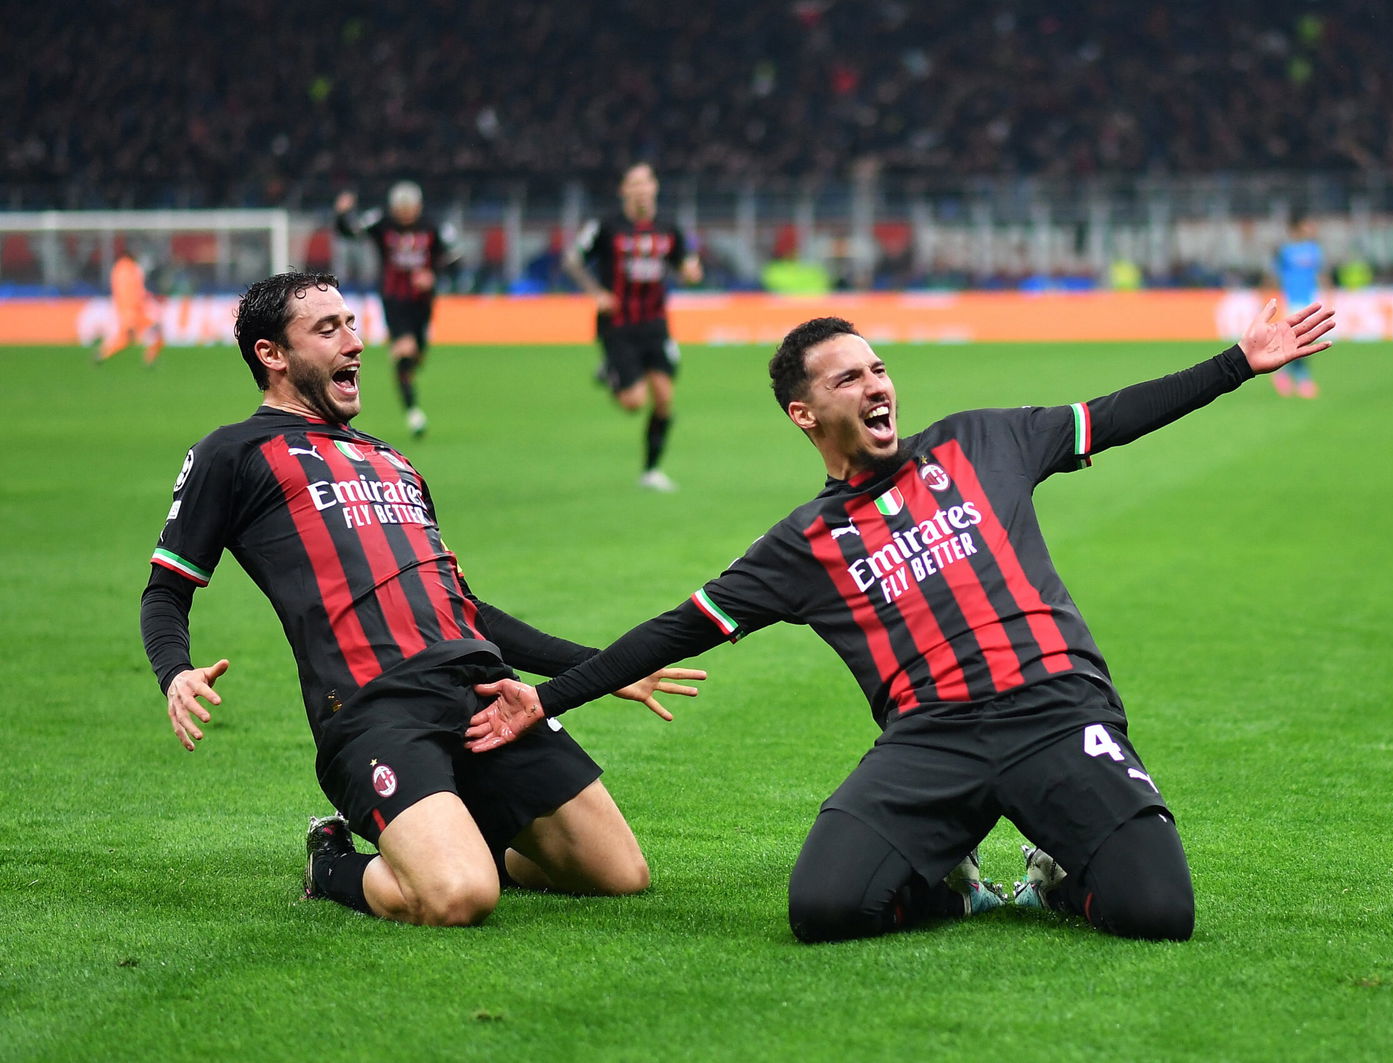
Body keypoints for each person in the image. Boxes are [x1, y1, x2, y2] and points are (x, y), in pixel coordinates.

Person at [463, 300, 1336, 945]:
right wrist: (549, 699)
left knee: (1159, 912)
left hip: (1056, 711)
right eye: (850, 376)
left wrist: (1235, 363)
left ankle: (1061, 873)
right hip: (932, 740)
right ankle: (949, 881)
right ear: (805, 414)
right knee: (824, 910)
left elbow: (1113, 416)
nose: (877, 383)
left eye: (878, 367)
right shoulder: (804, 543)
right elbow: (677, 628)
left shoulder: (981, 441)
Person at [141, 271, 704, 927]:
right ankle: (331, 863)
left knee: (619, 875)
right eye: (327, 329)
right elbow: (165, 591)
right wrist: (174, 671)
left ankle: (457, 833)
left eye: (352, 324)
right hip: (375, 706)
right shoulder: (232, 453)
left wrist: (604, 668)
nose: (353, 342)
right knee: (458, 897)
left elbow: (465, 611)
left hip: (484, 688)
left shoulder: (392, 461)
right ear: (272, 354)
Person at [564, 163, 703, 492]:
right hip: (618, 324)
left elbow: (686, 267)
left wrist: (691, 272)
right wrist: (596, 292)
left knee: (665, 398)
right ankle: (610, 371)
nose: (641, 189)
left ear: (654, 188)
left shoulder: (669, 227)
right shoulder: (607, 226)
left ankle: (651, 470)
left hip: (655, 323)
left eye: (646, 183)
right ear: (624, 190)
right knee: (633, 403)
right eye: (634, 184)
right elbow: (573, 259)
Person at [334, 182, 457, 437]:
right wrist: (342, 214)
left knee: (415, 358)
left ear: (418, 207)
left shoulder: (432, 227)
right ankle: (414, 414)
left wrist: (433, 275)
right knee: (404, 351)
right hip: (394, 299)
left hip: (422, 303)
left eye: (409, 208)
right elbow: (350, 232)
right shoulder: (382, 223)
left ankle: (407, 379)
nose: (404, 213)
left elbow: (454, 261)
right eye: (400, 208)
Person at [1272, 214, 1326, 398]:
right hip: (1292, 301)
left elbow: (1320, 273)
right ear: (1297, 228)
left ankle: (1284, 374)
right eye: (1306, 225)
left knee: (1302, 342)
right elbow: (1274, 275)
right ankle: (1304, 381)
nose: (1311, 228)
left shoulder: (1314, 250)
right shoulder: (1286, 251)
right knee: (1300, 341)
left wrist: (1328, 292)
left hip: (1309, 301)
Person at [97, 249, 164, 365]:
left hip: (128, 309)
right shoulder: (129, 269)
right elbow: (131, 291)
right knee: (131, 336)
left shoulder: (118, 269)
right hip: (133, 310)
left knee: (129, 337)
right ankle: (104, 354)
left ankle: (103, 354)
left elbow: (130, 290)